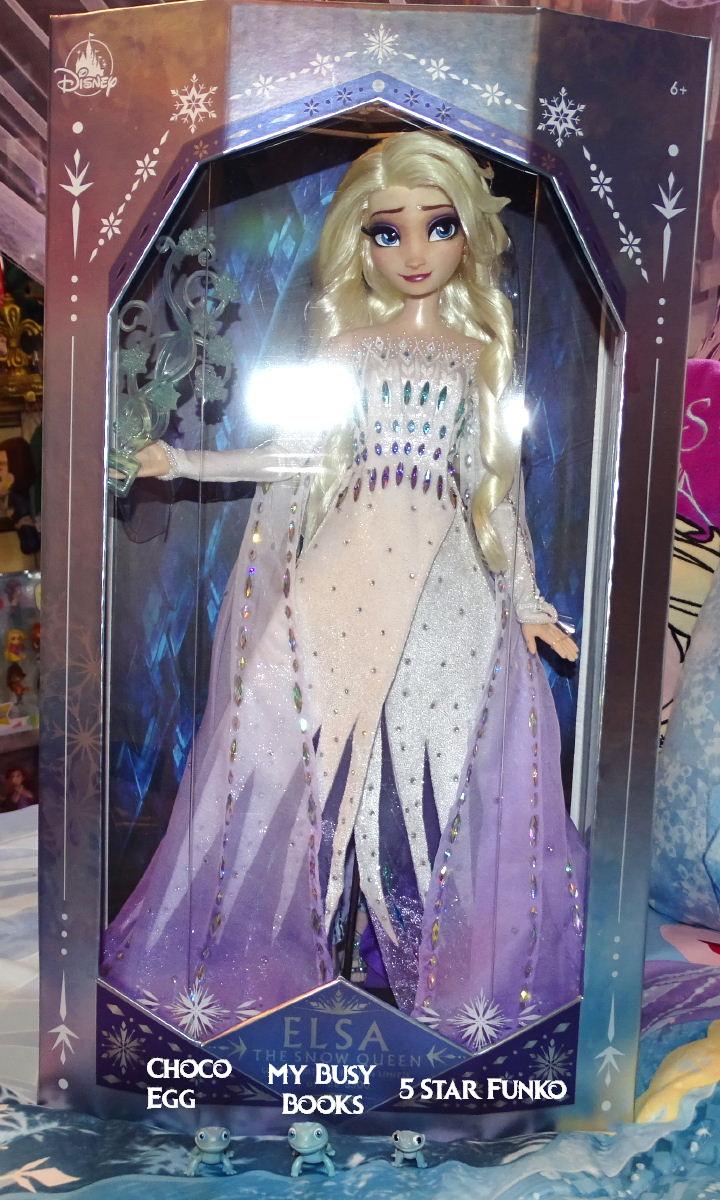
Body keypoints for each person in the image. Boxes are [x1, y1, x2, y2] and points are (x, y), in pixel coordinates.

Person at [102, 131, 585, 1050]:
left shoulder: (480, 355)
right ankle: (288, 958)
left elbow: (499, 489)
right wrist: (185, 461)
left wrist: (526, 601)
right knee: (296, 752)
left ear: (469, 234)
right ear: (360, 241)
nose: (415, 252)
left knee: (437, 766)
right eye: (387, 231)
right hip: (347, 567)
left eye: (438, 226)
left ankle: (438, 969)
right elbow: (295, 453)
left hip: (446, 584)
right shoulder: (350, 347)